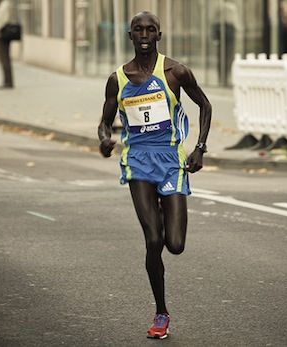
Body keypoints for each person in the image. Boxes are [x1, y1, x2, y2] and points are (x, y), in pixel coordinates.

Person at [97, 11, 212, 339]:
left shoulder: (176, 72)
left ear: (159, 35)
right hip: (138, 164)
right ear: (129, 35)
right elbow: (104, 120)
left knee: (174, 244)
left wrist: (200, 147)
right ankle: (161, 312)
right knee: (153, 239)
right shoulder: (117, 79)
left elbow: (205, 105)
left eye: (150, 29)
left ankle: (163, 207)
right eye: (138, 29)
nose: (144, 34)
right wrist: (104, 139)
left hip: (171, 162)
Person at [0, 0, 16, 89]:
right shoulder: (4, 4)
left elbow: (3, 20)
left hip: (2, 34)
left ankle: (8, 82)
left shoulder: (6, 4)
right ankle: (7, 81)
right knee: (4, 58)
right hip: (1, 33)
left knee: (4, 58)